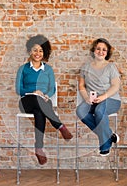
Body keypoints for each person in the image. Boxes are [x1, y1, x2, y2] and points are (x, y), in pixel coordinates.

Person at [16, 34, 73, 165]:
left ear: (44, 52)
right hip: (26, 101)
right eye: (35, 50)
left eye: (41, 50)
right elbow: (18, 89)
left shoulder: (48, 69)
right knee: (37, 102)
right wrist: (33, 92)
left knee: (39, 112)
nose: (38, 53)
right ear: (30, 51)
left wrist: (46, 94)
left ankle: (39, 148)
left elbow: (52, 88)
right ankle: (60, 126)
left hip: (43, 101)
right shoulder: (23, 69)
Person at [76, 38, 121, 157]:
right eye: (98, 49)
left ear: (107, 52)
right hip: (92, 99)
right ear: (94, 50)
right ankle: (109, 135)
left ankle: (105, 145)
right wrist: (86, 98)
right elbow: (81, 85)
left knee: (99, 111)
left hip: (111, 99)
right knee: (80, 111)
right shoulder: (85, 67)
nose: (101, 51)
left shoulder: (111, 67)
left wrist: (103, 97)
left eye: (104, 50)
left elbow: (116, 86)